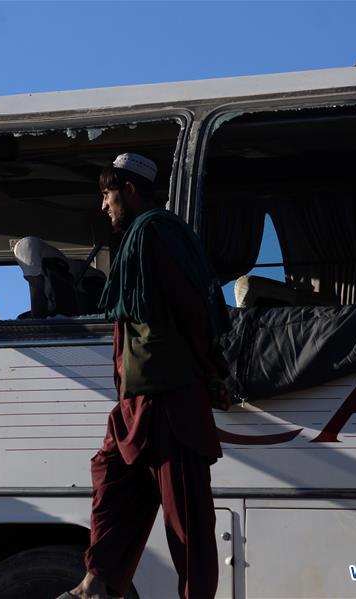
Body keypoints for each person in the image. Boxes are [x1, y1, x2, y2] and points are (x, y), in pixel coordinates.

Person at [61, 153, 232, 599]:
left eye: (107, 194)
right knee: (110, 483)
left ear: (130, 190)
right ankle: (94, 586)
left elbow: (192, 310)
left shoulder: (158, 231)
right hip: (136, 403)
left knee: (187, 523)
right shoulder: (142, 237)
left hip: (169, 401)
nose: (104, 206)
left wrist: (208, 370)